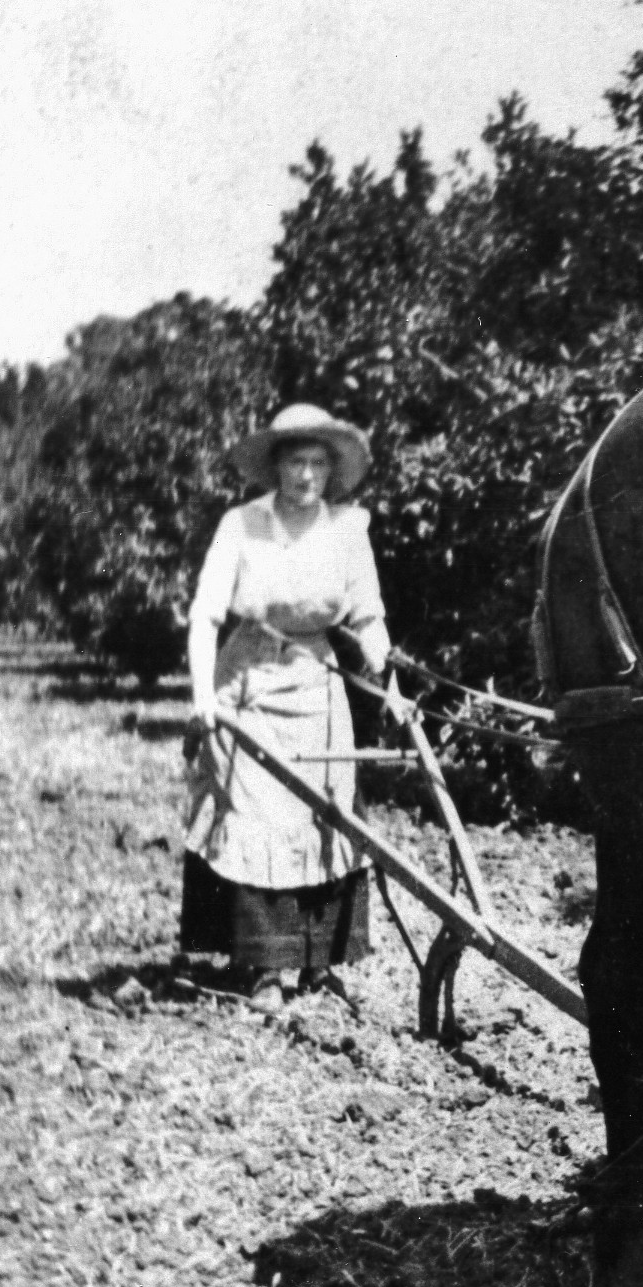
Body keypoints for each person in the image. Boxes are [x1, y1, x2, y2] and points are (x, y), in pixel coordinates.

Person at [180, 403, 407, 1010]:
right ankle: (259, 967)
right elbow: (204, 615)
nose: (306, 475)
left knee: (322, 817)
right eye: (294, 461)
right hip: (249, 685)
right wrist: (203, 696)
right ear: (275, 467)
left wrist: (392, 679)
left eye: (317, 463)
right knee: (255, 817)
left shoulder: (347, 529)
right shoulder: (242, 525)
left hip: (318, 685)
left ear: (331, 472)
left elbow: (368, 618)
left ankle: (314, 962)